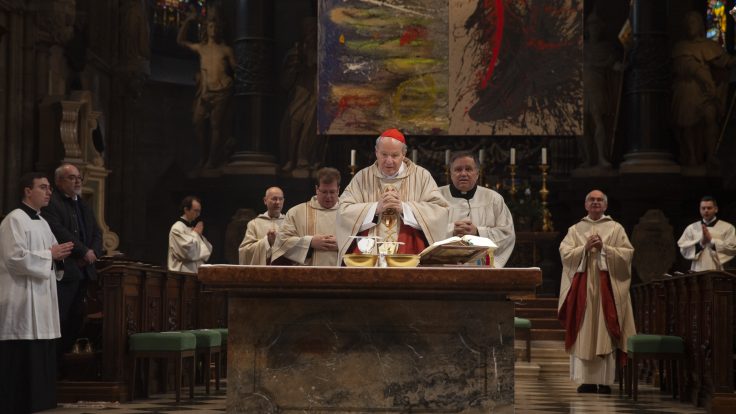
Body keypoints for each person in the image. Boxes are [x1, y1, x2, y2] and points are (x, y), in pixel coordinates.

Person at [0, 172, 73, 413]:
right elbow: (13, 258)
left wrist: (59, 257)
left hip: (41, 298)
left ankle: (40, 402)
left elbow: (53, 255)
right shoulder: (14, 220)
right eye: (43, 187)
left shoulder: (43, 223)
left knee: (41, 349)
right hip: (20, 298)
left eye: (50, 188)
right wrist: (49, 256)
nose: (49, 192)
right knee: (22, 352)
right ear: (27, 191)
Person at [557, 190, 636, 394]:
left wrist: (604, 249)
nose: (595, 202)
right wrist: (583, 248)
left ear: (605, 205)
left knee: (605, 330)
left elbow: (627, 255)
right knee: (584, 330)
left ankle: (604, 381)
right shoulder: (575, 229)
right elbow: (565, 253)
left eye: (599, 200)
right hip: (583, 287)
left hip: (607, 287)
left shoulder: (616, 229)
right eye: (591, 200)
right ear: (585, 205)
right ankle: (586, 381)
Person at [336, 129, 449, 263]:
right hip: (370, 255)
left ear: (404, 154)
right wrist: (374, 209)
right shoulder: (362, 177)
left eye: (395, 155)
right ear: (376, 152)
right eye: (384, 154)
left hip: (409, 252)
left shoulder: (421, 176)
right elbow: (343, 211)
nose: (389, 161)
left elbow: (440, 211)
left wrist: (405, 208)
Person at [42, 164, 104, 371]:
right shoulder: (53, 204)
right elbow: (58, 231)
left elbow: (97, 231)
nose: (77, 181)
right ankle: (54, 368)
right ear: (59, 181)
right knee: (61, 320)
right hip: (65, 273)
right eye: (71, 178)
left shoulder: (83, 204)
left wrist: (92, 253)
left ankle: (61, 366)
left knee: (77, 321)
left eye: (79, 178)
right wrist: (83, 251)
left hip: (84, 272)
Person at [671, 11, 736, 167]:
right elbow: (682, 67)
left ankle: (711, 154)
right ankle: (692, 156)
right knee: (687, 122)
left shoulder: (709, 46)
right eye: (688, 23)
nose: (690, 26)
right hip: (687, 89)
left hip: (706, 92)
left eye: (693, 22)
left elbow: (726, 61)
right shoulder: (681, 47)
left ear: (700, 25)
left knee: (710, 115)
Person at [178, 11, 237, 169]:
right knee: (197, 122)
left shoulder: (226, 50)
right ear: (206, 28)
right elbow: (181, 41)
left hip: (222, 91)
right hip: (205, 92)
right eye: (211, 26)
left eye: (216, 27)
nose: (214, 29)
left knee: (216, 125)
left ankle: (211, 160)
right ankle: (203, 156)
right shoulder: (201, 48)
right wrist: (188, 21)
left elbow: (236, 69)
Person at [438, 151, 515, 267]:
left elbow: (507, 234)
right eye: (458, 169)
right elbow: (425, 230)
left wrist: (478, 232)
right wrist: (452, 230)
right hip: (445, 268)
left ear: (477, 173)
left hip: (482, 270)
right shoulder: (436, 197)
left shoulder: (493, 199)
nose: (463, 173)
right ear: (451, 173)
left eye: (468, 169)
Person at [271, 168, 341, 266]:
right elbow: (282, 242)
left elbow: (363, 242)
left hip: (342, 277)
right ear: (317, 189)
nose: (328, 196)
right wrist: (310, 242)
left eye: (332, 192)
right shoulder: (296, 213)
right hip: (307, 277)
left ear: (338, 190)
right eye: (324, 192)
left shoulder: (349, 213)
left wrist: (343, 244)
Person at [677, 196, 736, 271]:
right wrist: (701, 243)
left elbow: (732, 248)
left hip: (718, 271)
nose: (706, 211)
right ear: (699, 210)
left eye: (709, 208)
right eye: (703, 208)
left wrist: (711, 241)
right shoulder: (691, 228)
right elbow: (684, 249)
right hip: (697, 270)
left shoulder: (727, 228)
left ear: (716, 209)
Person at [238, 187, 286, 265]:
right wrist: (267, 242)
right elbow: (244, 251)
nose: (277, 202)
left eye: (280, 199)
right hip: (262, 272)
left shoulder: (289, 223)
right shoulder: (254, 224)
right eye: (274, 199)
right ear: (265, 200)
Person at [168, 196, 212, 273]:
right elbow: (187, 253)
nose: (198, 214)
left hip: (195, 273)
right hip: (181, 275)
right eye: (195, 211)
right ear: (186, 210)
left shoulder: (192, 228)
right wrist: (196, 234)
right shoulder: (177, 228)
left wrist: (198, 235)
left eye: (199, 211)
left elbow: (208, 249)